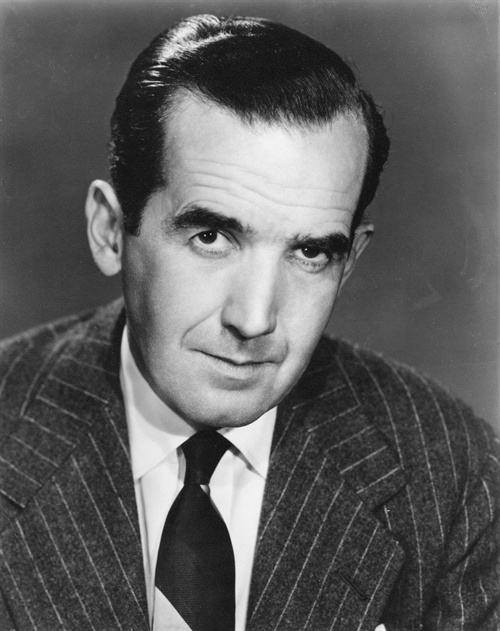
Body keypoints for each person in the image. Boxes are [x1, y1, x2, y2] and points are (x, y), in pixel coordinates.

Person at [0, 14, 497, 631]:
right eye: (211, 237)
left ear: (349, 262)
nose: (255, 319)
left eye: (310, 252)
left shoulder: (453, 473)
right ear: (110, 230)